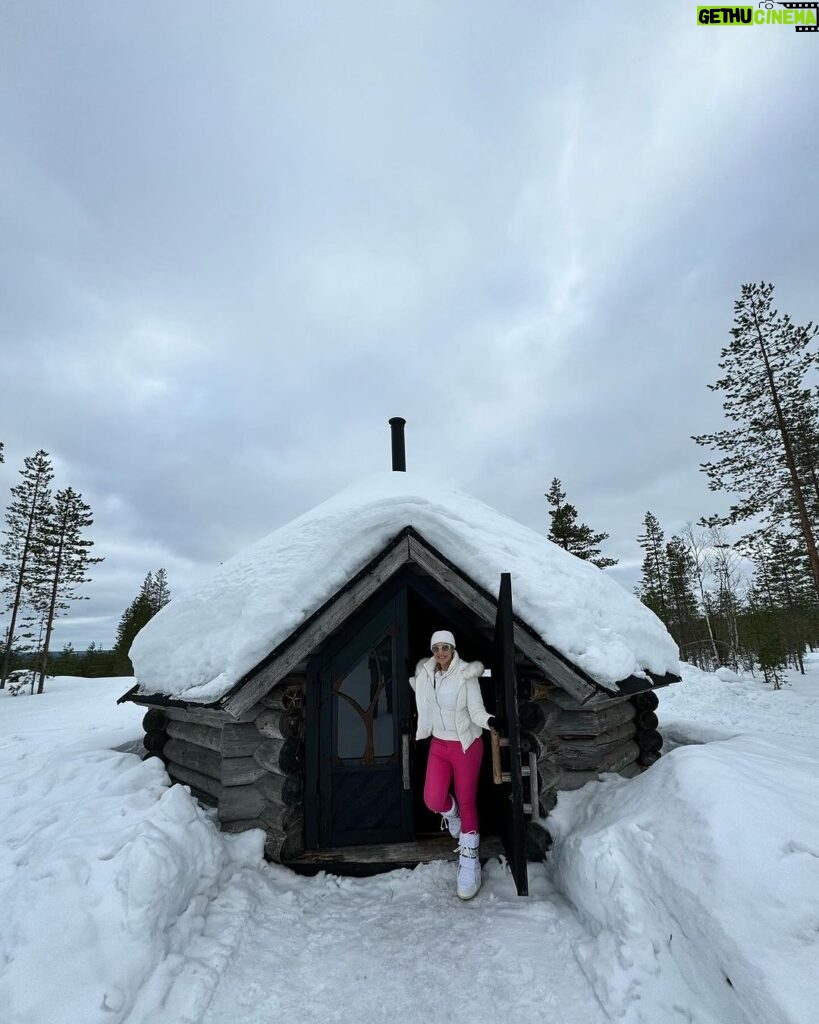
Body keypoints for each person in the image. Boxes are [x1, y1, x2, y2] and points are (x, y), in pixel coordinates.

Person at [409, 629, 496, 900]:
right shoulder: (426, 674)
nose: (441, 653)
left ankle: (469, 859)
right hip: (439, 744)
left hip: (465, 744)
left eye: (445, 647)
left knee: (467, 799)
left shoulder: (466, 675)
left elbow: (477, 711)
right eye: (436, 648)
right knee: (433, 800)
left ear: (453, 649)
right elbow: (419, 692)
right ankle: (453, 814)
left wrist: (490, 722)